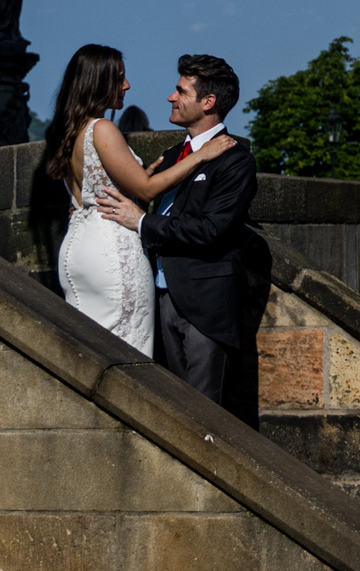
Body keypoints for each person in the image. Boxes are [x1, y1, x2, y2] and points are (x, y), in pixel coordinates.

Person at [97, 54, 260, 420]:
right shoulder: (173, 155)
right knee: (171, 412)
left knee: (203, 416)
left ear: (208, 102)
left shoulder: (235, 160)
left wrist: (142, 223)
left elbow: (211, 230)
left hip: (205, 306)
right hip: (160, 297)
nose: (171, 97)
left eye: (180, 91)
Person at [37, 44, 229, 355]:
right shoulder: (103, 128)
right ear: (98, 82)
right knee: (126, 350)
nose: (126, 86)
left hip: (77, 247)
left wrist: (144, 171)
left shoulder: (69, 131)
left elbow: (101, 184)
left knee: (86, 349)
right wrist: (201, 155)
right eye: (120, 79)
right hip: (111, 247)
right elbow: (146, 190)